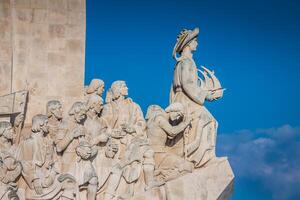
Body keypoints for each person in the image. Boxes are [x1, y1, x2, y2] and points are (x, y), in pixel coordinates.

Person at [170, 28, 224, 167]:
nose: (197, 44)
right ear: (188, 43)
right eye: (195, 41)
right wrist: (207, 95)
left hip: (182, 98)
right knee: (208, 121)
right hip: (186, 99)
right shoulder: (186, 62)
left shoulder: (181, 62)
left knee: (209, 121)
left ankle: (200, 157)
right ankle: (199, 159)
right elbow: (187, 84)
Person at [55, 102, 98, 200]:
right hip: (69, 162)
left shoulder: (82, 127)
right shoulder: (64, 124)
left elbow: (88, 144)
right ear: (75, 111)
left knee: (93, 180)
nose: (83, 117)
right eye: (82, 114)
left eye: (84, 115)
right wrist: (71, 135)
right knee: (69, 187)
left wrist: (90, 149)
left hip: (82, 161)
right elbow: (59, 147)